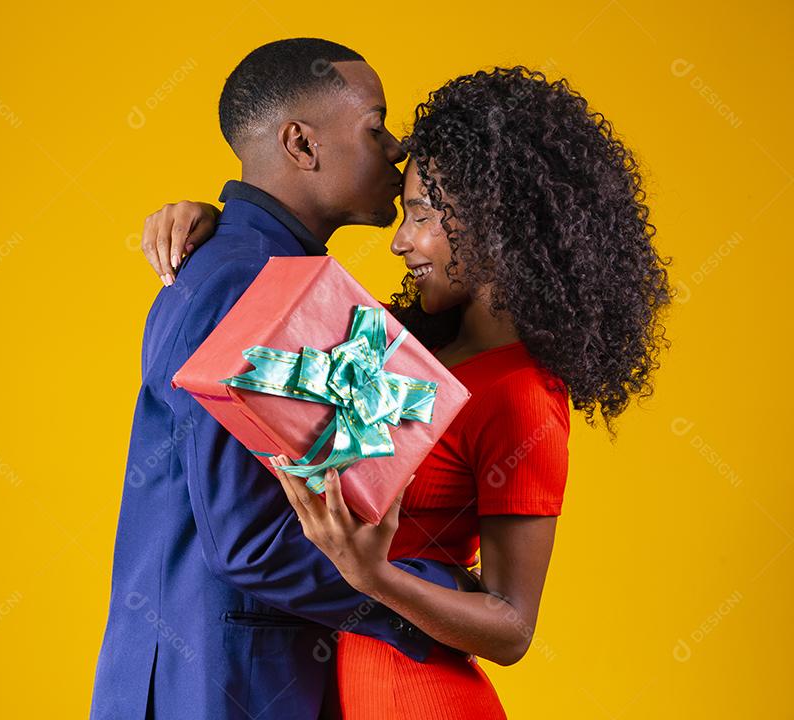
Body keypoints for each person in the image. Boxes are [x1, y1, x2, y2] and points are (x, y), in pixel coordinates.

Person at [139, 66, 672, 718]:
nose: (398, 239)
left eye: (420, 214)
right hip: (344, 682)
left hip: (422, 696)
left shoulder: (524, 395)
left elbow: (513, 627)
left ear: (497, 222)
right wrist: (215, 219)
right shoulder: (397, 345)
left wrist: (377, 577)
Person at [91, 38, 477, 720]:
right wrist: (426, 599)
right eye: (375, 124)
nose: (396, 148)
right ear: (300, 143)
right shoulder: (245, 277)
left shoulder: (251, 262)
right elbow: (247, 542)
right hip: (220, 687)